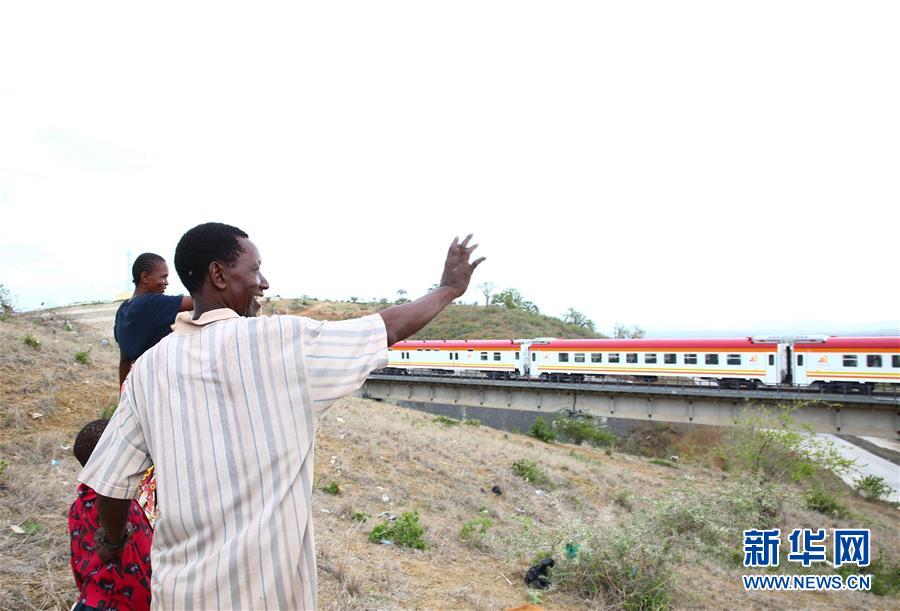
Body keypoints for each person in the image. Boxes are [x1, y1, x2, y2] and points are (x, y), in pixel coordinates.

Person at [78, 222, 484, 610]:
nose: (265, 282)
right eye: (254, 270)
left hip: (181, 595)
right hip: (267, 596)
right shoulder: (281, 342)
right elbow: (384, 329)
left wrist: (113, 540)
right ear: (218, 275)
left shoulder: (148, 369)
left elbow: (111, 483)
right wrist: (449, 289)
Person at [69, 419, 153, 611]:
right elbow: (141, 564)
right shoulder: (121, 509)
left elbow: (78, 562)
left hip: (90, 601)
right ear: (115, 459)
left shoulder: (77, 507)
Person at [115, 252, 193, 385]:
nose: (166, 283)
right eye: (164, 277)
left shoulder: (123, 309)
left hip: (142, 384)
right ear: (145, 277)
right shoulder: (150, 303)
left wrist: (123, 396)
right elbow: (199, 301)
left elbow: (124, 359)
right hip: (162, 383)